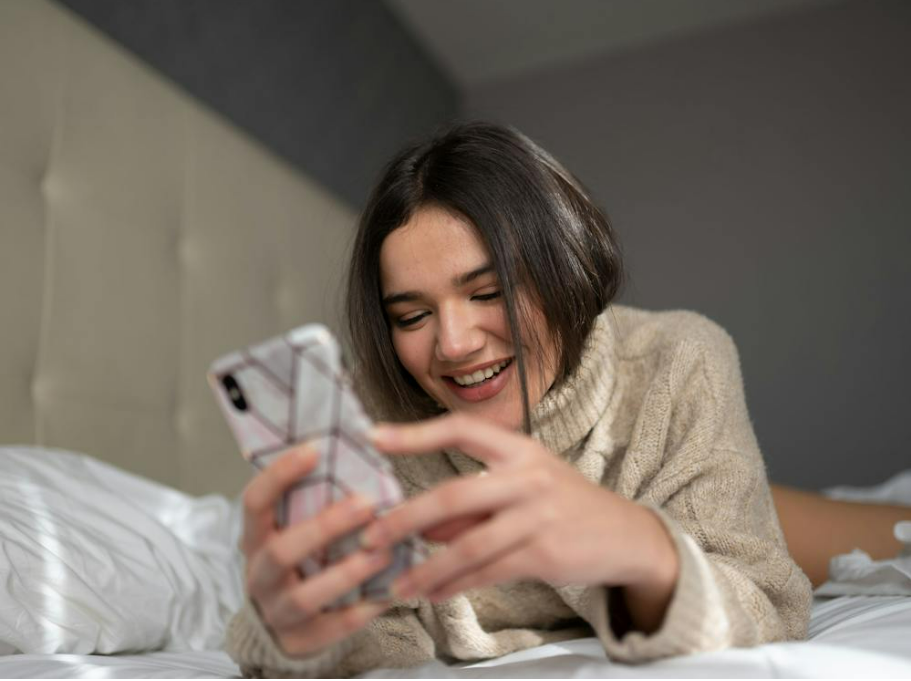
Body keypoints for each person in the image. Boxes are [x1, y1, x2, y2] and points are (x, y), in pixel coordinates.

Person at [225, 120, 817, 677]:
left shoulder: (680, 361)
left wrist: (639, 547)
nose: (453, 345)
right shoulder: (371, 418)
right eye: (412, 315)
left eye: (489, 292)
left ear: (566, 268)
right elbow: (382, 641)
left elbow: (767, 606)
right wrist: (295, 639)